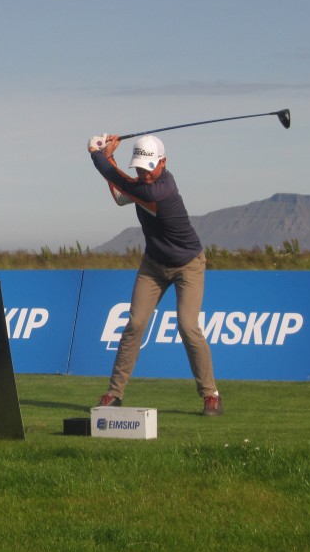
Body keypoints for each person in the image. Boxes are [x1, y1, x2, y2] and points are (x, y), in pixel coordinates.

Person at [88, 133, 222, 417]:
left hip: (188, 264)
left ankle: (211, 394)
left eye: (149, 169)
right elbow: (121, 196)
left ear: (163, 162)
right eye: (139, 169)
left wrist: (97, 152)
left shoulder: (161, 192)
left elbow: (118, 180)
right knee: (135, 323)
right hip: (153, 265)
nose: (144, 175)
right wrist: (109, 156)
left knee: (187, 326)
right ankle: (114, 393)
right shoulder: (143, 186)